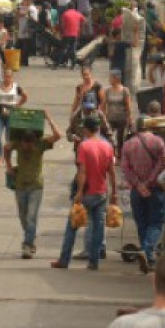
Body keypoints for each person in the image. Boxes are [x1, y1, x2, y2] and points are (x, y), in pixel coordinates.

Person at [52, 116, 117, 270]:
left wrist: (79, 192)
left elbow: (82, 172)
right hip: (101, 193)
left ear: (87, 129)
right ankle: (94, 262)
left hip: (87, 192)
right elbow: (112, 172)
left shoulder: (84, 146)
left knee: (72, 226)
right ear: (99, 128)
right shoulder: (108, 147)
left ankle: (64, 260)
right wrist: (114, 192)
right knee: (98, 228)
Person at [4, 111, 62, 259]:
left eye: (29, 144)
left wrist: (49, 118)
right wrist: (9, 165)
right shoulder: (17, 144)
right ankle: (31, 237)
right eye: (24, 143)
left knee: (31, 216)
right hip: (20, 185)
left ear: (34, 141)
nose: (26, 147)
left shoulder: (41, 145)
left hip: (36, 186)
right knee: (23, 217)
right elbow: (6, 147)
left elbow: (58, 135)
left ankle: (27, 244)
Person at [120, 116, 165, 273]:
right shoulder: (158, 142)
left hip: (136, 191)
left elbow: (126, 169)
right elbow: (162, 164)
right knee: (155, 222)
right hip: (154, 189)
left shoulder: (128, 144)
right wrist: (148, 182)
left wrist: (139, 184)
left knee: (141, 223)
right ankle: (148, 251)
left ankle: (147, 255)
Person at [0, 67, 28, 158]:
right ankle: (0, 156)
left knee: (9, 140)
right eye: (5, 76)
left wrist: (17, 106)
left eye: (9, 77)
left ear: (12, 78)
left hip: (11, 116)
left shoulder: (16, 88)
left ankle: (7, 157)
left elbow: (25, 97)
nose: (7, 78)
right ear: (3, 77)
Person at [101, 69, 132, 157]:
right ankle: (111, 154)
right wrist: (103, 117)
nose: (110, 80)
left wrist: (129, 118)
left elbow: (128, 106)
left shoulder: (125, 90)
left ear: (116, 79)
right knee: (109, 137)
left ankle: (120, 156)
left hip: (121, 118)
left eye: (111, 78)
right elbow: (103, 105)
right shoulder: (107, 91)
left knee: (120, 138)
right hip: (110, 118)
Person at [17, 0, 38, 66]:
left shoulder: (31, 9)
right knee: (22, 47)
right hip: (22, 31)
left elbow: (33, 19)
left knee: (24, 48)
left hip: (25, 32)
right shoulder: (24, 8)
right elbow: (19, 15)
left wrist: (25, 12)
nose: (22, 2)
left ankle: (24, 62)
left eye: (25, 1)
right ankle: (22, 61)